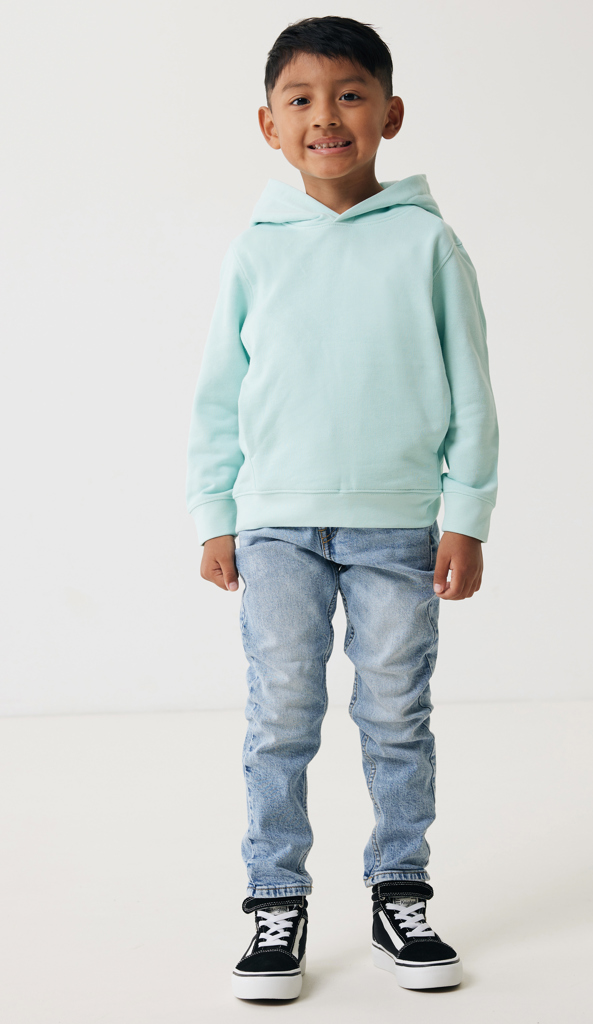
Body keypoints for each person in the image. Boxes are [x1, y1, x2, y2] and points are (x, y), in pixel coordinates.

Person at [186, 15, 499, 1001]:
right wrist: (213, 511)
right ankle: (273, 899)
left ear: (389, 115)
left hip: (396, 526)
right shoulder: (254, 251)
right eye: (301, 100)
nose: (326, 116)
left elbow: (472, 392)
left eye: (350, 95)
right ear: (269, 125)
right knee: (280, 713)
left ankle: (399, 889)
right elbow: (217, 396)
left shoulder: (427, 244)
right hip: (275, 526)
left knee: (395, 713)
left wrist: (466, 513)